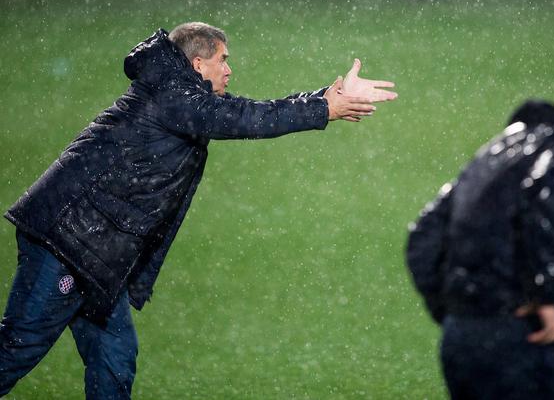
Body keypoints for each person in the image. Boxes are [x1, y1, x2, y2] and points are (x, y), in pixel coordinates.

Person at [0, 22, 397, 398]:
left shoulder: (176, 91)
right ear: (197, 64)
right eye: (223, 59)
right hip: (68, 241)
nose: (229, 69)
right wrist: (324, 109)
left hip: (96, 251)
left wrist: (325, 98)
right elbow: (244, 118)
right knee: (18, 349)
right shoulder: (173, 95)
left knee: (114, 358)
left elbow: (245, 110)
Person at [406, 78, 554, 399]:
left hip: (461, 341)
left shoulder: (501, 148)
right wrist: (546, 296)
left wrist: (460, 312)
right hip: (522, 340)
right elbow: (541, 204)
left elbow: (424, 235)